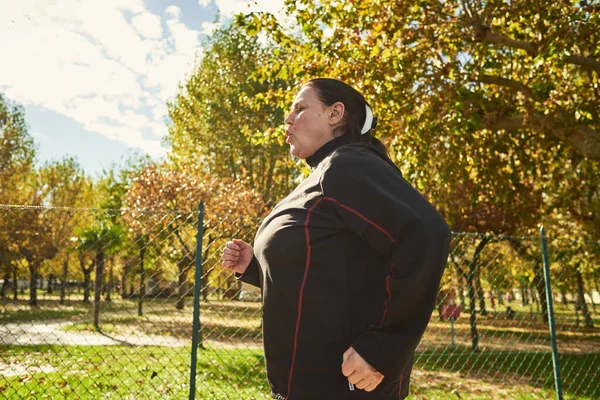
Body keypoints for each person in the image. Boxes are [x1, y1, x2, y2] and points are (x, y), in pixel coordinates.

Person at [221, 78, 451, 400]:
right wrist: (256, 266)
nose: (287, 119)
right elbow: (331, 274)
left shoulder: (346, 165)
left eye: (300, 108)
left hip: (346, 388)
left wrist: (384, 348)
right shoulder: (325, 173)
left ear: (335, 113)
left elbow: (427, 233)